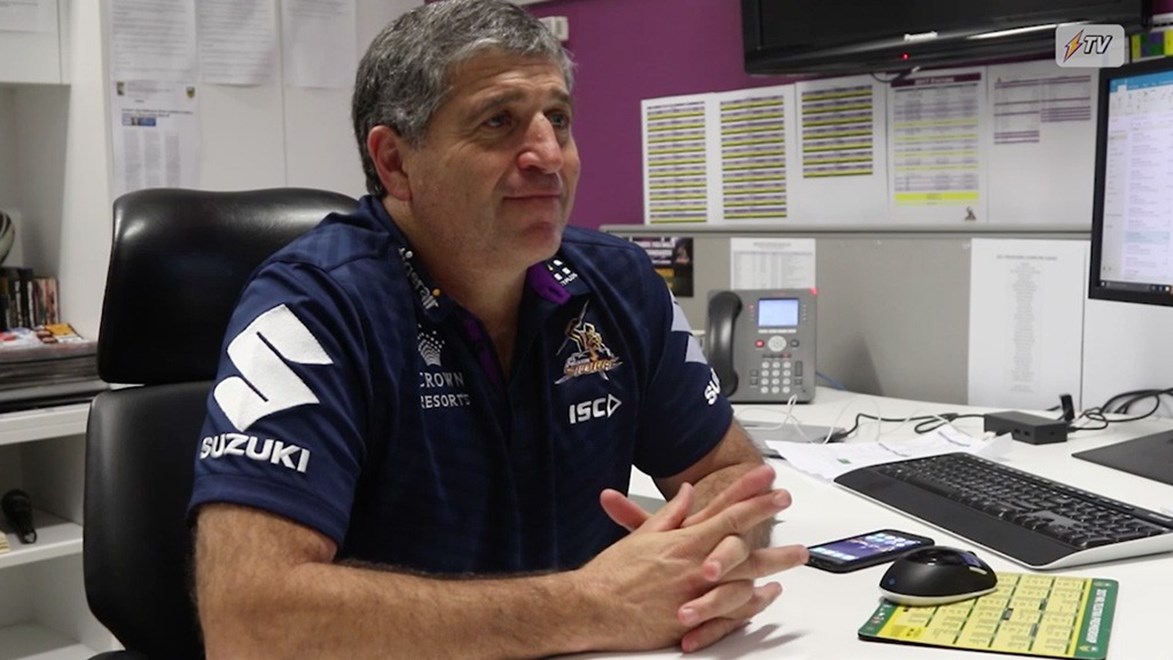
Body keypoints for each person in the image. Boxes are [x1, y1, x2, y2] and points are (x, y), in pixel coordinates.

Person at [189, 0, 808, 656]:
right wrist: (592, 605)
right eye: (498, 122)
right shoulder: (313, 307)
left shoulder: (620, 282)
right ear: (395, 162)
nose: (549, 155)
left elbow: (729, 473)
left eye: (558, 119)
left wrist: (709, 559)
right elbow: (248, 621)